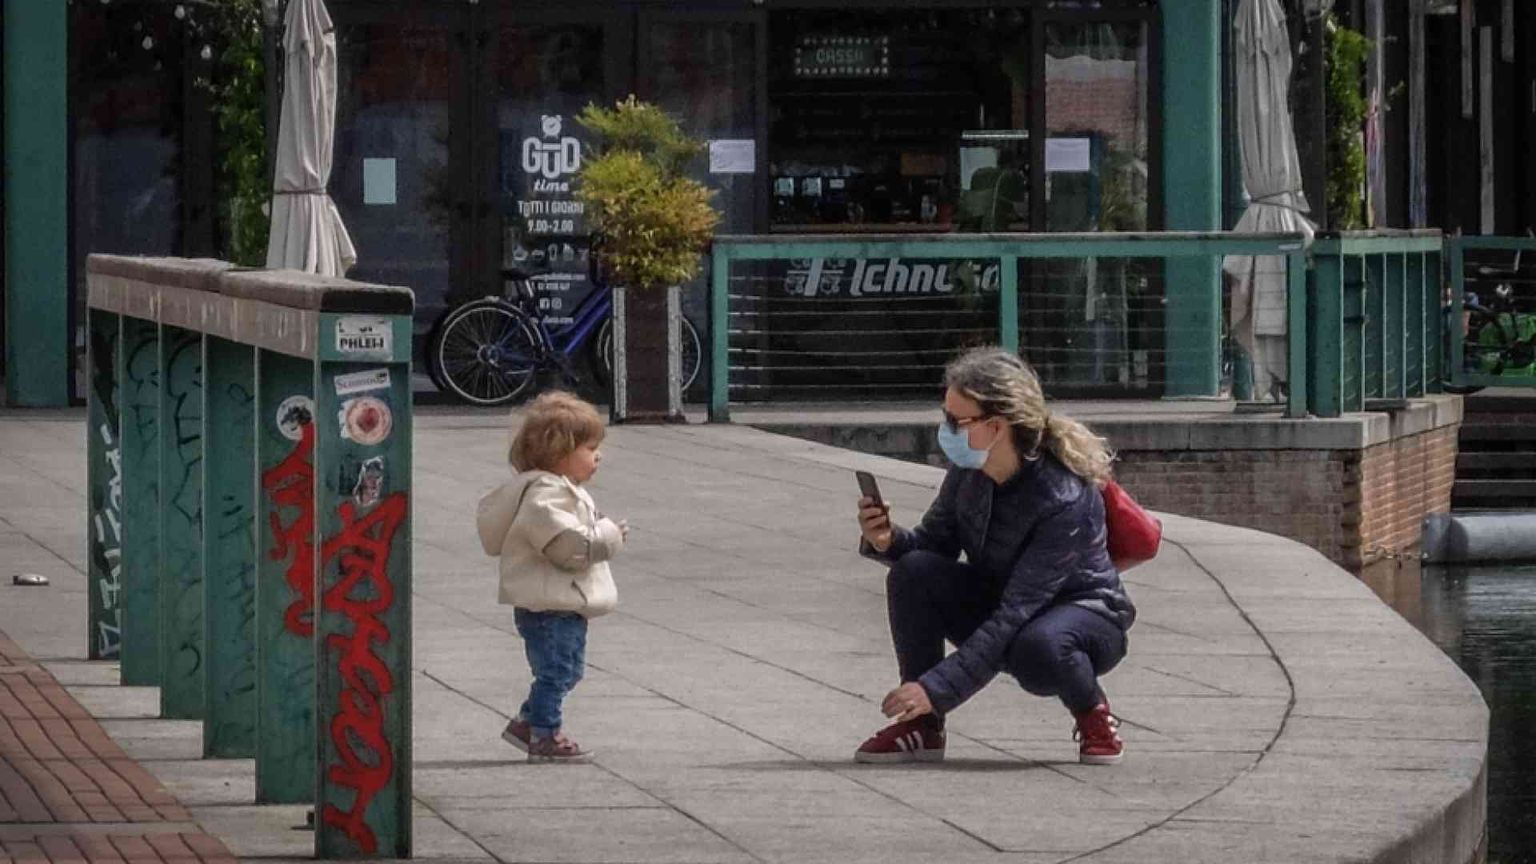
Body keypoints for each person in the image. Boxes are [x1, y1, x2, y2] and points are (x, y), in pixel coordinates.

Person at [854, 347, 1135, 765]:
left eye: (956, 421)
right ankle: (922, 728)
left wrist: (937, 688)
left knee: (1039, 647)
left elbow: (1020, 609)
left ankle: (1093, 712)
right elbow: (934, 547)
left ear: (996, 425)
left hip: (1084, 613)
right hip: (1009, 602)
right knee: (913, 572)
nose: (946, 430)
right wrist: (886, 540)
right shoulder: (969, 472)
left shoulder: (1063, 496)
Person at [477, 391, 627, 763]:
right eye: (591, 448)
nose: (598, 456)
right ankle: (543, 733)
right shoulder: (546, 495)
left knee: (567, 669)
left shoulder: (558, 491)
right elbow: (567, 547)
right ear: (560, 451)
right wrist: (609, 534)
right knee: (557, 670)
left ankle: (528, 722)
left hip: (557, 600)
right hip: (548, 604)